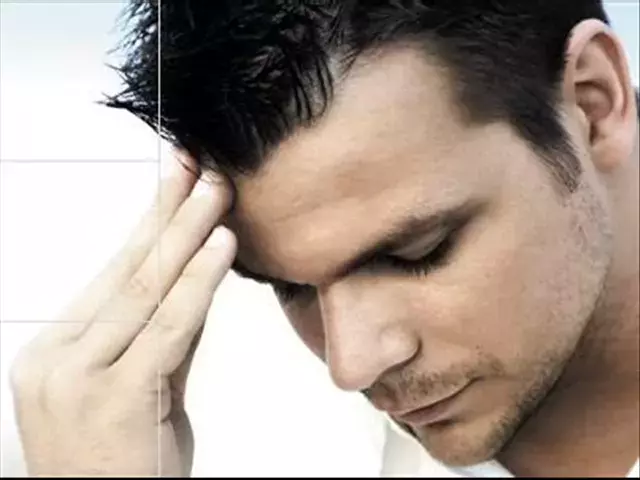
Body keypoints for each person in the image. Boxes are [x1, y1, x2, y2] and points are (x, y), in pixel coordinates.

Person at [9, 0, 639, 477]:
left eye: (415, 253)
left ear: (592, 103)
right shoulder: (172, 435)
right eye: (289, 287)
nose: (350, 364)